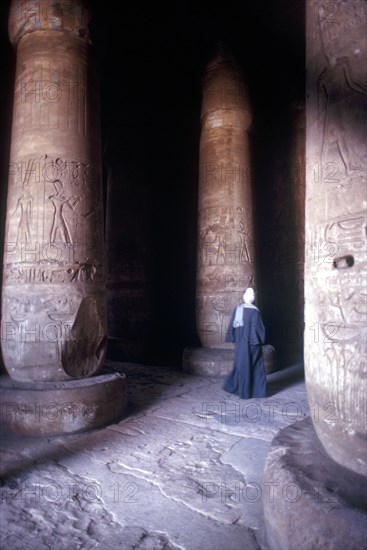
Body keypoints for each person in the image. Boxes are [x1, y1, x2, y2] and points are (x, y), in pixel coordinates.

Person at [223, 287, 267, 399]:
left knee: (241, 365)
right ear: (251, 297)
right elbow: (257, 329)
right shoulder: (255, 311)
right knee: (255, 366)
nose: (253, 296)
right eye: (252, 294)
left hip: (240, 344)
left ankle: (242, 391)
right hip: (252, 344)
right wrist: (259, 340)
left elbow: (232, 326)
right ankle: (257, 392)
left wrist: (232, 337)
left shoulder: (237, 309)